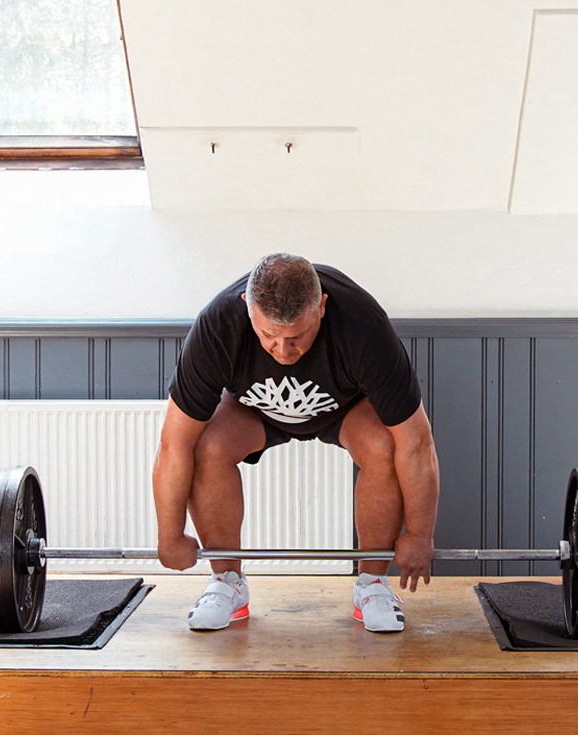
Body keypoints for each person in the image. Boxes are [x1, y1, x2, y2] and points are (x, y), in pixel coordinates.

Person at [153, 253, 439, 634]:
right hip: (254, 411)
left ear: (321, 307)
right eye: (268, 335)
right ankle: (227, 583)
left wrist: (420, 534)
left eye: (296, 337)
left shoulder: (362, 324)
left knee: (384, 445)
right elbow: (174, 444)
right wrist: (169, 535)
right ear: (247, 308)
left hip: (343, 410)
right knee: (207, 445)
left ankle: (372, 585)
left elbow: (416, 442)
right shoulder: (218, 325)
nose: (283, 351)